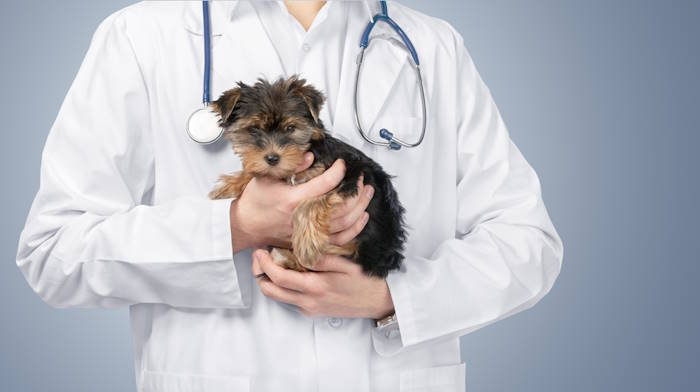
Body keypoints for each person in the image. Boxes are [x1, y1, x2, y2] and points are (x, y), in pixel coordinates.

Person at [16, 1, 563, 391]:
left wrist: (395, 300)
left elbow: (527, 244)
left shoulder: (432, 46)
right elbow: (54, 252)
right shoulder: (140, 35)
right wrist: (234, 226)